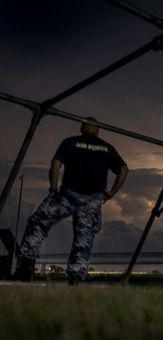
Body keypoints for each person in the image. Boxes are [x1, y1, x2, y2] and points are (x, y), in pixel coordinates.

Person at [9, 117, 128, 285]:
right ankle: (76, 277)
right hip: (93, 199)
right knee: (84, 237)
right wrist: (112, 193)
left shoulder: (70, 142)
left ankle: (26, 267)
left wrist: (53, 189)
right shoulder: (107, 148)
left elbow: (56, 165)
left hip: (68, 195)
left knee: (38, 221)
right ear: (98, 131)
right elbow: (124, 169)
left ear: (82, 128)